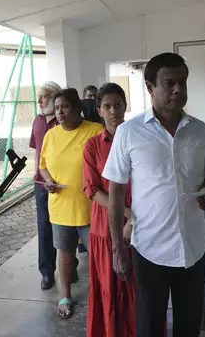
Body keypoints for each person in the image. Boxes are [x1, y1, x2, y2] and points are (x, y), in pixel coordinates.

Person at [103, 53, 205, 337]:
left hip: (193, 249)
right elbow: (116, 192)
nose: (178, 90)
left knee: (189, 325)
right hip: (150, 250)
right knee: (149, 327)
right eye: (169, 83)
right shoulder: (129, 133)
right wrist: (118, 249)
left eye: (182, 82)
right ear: (149, 87)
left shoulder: (200, 131)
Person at [39, 88, 103, 319]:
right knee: (64, 253)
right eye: (57, 108)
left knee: (98, 256)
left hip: (91, 207)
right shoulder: (50, 135)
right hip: (61, 206)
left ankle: (101, 295)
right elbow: (43, 164)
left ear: (77, 109)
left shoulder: (94, 131)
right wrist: (48, 181)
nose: (60, 112)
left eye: (65, 107)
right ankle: (65, 295)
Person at [83, 83, 136, 337]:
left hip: (141, 227)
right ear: (99, 110)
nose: (113, 110)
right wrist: (128, 214)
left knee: (139, 290)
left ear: (126, 106)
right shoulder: (92, 146)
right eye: (107, 106)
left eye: (117, 104)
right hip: (105, 229)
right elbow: (92, 189)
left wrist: (135, 219)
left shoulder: (138, 140)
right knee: (108, 288)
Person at [29, 81, 64, 290]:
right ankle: (47, 272)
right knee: (44, 226)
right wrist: (38, 175)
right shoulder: (38, 120)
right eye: (39, 96)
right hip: (42, 184)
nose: (40, 101)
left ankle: (70, 264)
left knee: (66, 226)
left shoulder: (64, 121)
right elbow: (37, 151)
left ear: (54, 97)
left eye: (44, 96)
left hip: (62, 184)